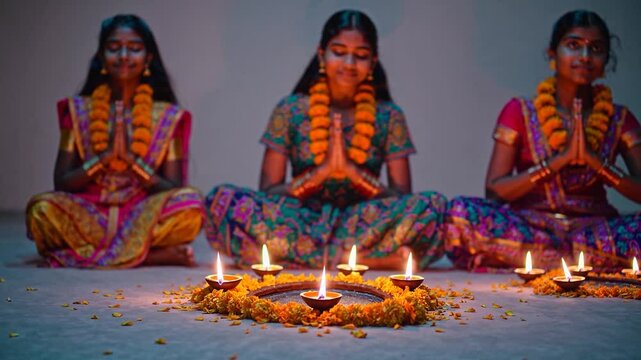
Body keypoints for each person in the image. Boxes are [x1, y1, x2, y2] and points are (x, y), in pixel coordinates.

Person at [204, 10, 445, 270]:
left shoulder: (389, 114)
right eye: (339, 52)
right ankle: (356, 259)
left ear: (373, 61)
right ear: (322, 54)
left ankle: (314, 256)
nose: (349, 63)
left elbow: (401, 197)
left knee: (433, 206)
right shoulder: (291, 109)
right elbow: (269, 191)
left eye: (361, 55)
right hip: (301, 219)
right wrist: (320, 174)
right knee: (223, 200)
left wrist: (354, 175)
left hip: (364, 222)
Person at [446, 10, 641, 271]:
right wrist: (557, 162)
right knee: (460, 212)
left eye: (595, 48)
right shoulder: (520, 111)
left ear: (606, 59)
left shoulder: (619, 118)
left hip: (596, 230)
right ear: (552, 53)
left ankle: (538, 259)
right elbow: (494, 191)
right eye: (573, 45)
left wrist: (598, 164)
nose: (584, 57)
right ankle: (583, 261)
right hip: (531, 227)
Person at [26, 15, 204, 268]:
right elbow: (62, 182)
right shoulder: (78, 110)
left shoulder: (169, 116)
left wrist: (132, 163)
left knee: (191, 204)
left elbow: (173, 187)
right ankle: (150, 256)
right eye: (113, 48)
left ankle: (95, 254)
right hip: (89, 209)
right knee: (41, 210)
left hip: (142, 211)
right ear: (101, 56)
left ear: (148, 58)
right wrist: (105, 157)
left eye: (134, 49)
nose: (123, 56)